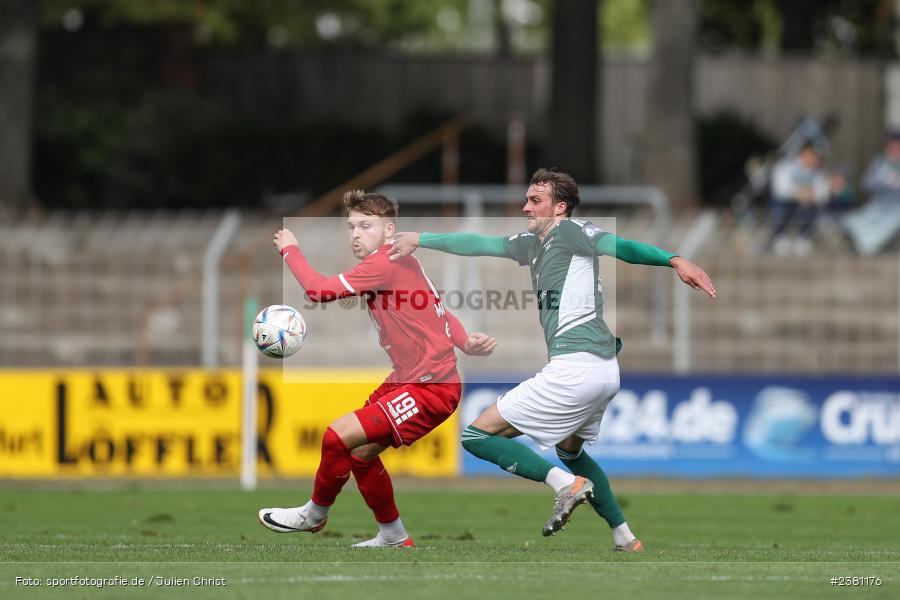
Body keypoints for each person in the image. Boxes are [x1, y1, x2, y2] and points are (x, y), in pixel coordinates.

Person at [389, 168, 716, 551]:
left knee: (476, 435)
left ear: (560, 208)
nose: (526, 207)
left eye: (535, 200)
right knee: (570, 450)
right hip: (604, 371)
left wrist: (675, 260)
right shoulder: (532, 244)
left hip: (577, 368)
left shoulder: (570, 232)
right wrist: (422, 238)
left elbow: (621, 246)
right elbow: (479, 243)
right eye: (527, 198)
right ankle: (625, 538)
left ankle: (565, 485)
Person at [258, 190, 496, 548]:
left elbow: (318, 290)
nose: (355, 233)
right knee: (359, 454)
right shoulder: (403, 259)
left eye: (365, 226)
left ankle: (314, 514)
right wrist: (464, 341)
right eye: (352, 226)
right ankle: (394, 536)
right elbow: (439, 309)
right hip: (408, 380)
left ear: (388, 230)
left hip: (432, 388)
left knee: (336, 436)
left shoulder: (384, 262)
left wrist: (290, 248)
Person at [766, 143, 830, 256]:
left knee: (814, 208)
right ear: (805, 153)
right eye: (813, 155)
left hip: (807, 205)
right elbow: (780, 189)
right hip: (786, 203)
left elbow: (823, 193)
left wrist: (811, 195)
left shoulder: (818, 173)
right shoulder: (785, 167)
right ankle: (780, 238)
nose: (816, 160)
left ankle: (804, 239)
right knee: (780, 205)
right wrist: (799, 193)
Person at [843, 130, 900, 255]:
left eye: (897, 147)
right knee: (855, 221)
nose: (894, 149)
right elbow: (866, 184)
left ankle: (866, 247)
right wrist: (884, 182)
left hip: (896, 209)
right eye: (891, 146)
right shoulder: (879, 162)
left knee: (886, 227)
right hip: (878, 205)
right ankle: (855, 242)